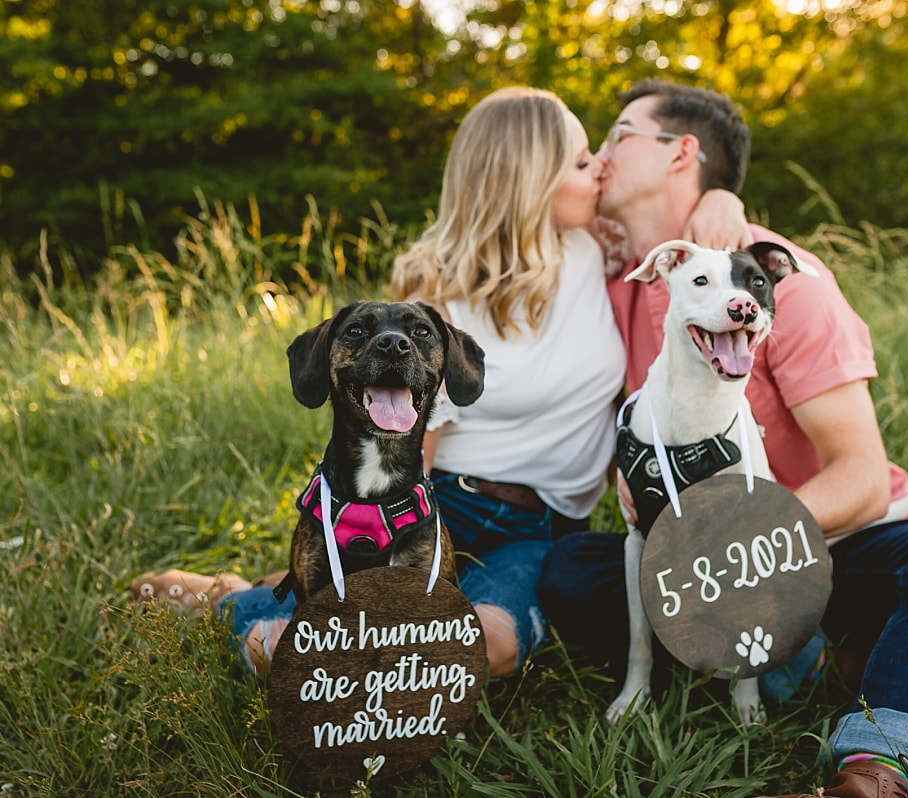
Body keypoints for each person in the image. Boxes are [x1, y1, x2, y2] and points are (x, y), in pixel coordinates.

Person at [127, 86, 749, 680]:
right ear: (530, 179)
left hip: (543, 529)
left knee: (482, 650)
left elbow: (680, 228)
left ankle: (260, 591)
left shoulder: (602, 248)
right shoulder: (437, 301)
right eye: (582, 161)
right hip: (437, 506)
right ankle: (239, 605)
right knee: (299, 654)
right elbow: (405, 445)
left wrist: (721, 198)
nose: (602, 170)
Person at [537, 78, 908, 798]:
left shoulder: (788, 289)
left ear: (682, 153)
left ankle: (876, 770)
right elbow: (520, 205)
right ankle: (820, 661)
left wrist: (747, 542)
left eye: (617, 134)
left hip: (825, 541)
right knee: (571, 570)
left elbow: (860, 475)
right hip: (692, 562)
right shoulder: (615, 277)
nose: (600, 154)